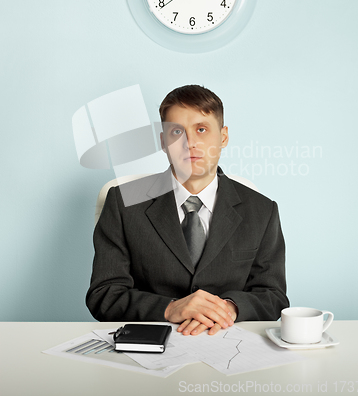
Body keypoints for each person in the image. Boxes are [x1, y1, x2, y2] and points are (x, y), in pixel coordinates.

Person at [86, 85, 289, 336]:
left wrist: (228, 309)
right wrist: (169, 309)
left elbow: (273, 296)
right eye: (176, 132)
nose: (189, 143)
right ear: (163, 141)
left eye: (201, 129)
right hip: (150, 346)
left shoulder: (261, 210)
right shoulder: (122, 201)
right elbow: (104, 294)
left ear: (223, 137)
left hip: (227, 344)